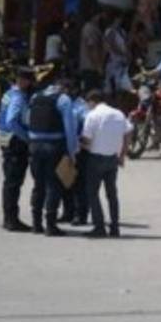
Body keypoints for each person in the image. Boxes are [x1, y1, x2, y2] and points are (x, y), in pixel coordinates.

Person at [27, 77, 79, 237]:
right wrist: (72, 153)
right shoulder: (63, 100)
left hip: (34, 145)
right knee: (53, 185)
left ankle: (36, 224)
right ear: (63, 88)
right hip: (54, 147)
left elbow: (27, 119)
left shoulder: (35, 97)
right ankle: (50, 225)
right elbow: (70, 129)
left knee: (38, 184)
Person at [80, 89, 132, 238]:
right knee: (112, 194)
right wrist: (122, 154)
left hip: (95, 159)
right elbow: (128, 132)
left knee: (93, 193)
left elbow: (87, 140)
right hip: (112, 159)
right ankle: (115, 227)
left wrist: (78, 144)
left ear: (92, 101)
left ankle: (99, 227)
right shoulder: (118, 114)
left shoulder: (92, 115)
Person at [0, 67, 34, 232]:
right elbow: (12, 121)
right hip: (15, 143)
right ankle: (11, 220)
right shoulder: (18, 97)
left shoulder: (8, 94)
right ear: (23, 80)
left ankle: (9, 218)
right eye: (29, 80)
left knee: (9, 182)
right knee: (13, 182)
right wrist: (26, 137)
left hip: (6, 141)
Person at [59, 88, 91, 225]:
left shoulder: (81, 106)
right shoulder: (63, 104)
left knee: (79, 184)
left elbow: (86, 126)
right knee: (66, 182)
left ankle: (81, 215)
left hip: (79, 149)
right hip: (65, 148)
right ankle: (68, 212)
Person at [103, 12, 132, 103]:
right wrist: (122, 54)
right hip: (113, 62)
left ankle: (120, 103)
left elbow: (126, 45)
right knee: (111, 86)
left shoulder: (122, 31)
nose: (119, 21)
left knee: (121, 86)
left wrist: (128, 55)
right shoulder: (110, 31)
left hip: (122, 62)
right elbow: (111, 45)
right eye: (118, 19)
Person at [79, 10, 105, 92]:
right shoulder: (90, 29)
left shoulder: (92, 28)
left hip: (90, 66)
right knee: (92, 92)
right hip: (91, 67)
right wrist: (98, 66)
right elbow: (92, 48)